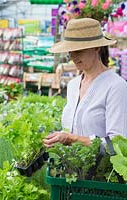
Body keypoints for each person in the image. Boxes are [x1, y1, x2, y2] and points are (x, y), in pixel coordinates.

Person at [43, 18, 127, 148]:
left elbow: (118, 143)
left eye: (78, 50)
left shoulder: (116, 86)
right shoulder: (73, 85)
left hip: (102, 168)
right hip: (71, 166)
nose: (73, 56)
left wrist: (72, 139)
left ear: (96, 47)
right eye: (70, 51)